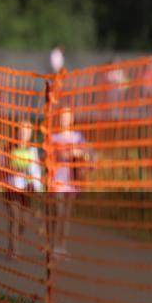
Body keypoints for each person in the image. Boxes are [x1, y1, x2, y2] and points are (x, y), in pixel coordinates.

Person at [48, 107, 93, 256]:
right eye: (62, 116)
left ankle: (62, 246)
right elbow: (48, 155)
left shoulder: (77, 137)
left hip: (72, 179)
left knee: (66, 215)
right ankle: (53, 244)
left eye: (67, 117)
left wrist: (76, 153)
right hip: (57, 179)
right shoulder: (54, 137)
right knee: (58, 212)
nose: (64, 119)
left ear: (71, 119)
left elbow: (86, 153)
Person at [0, 120, 43, 259]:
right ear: (17, 131)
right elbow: (1, 167)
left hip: (27, 190)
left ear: (30, 134)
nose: (23, 133)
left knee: (24, 221)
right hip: (11, 188)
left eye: (27, 131)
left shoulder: (32, 150)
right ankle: (14, 249)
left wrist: (38, 188)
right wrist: (10, 168)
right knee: (15, 217)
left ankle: (14, 240)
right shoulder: (8, 148)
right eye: (21, 130)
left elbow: (36, 171)